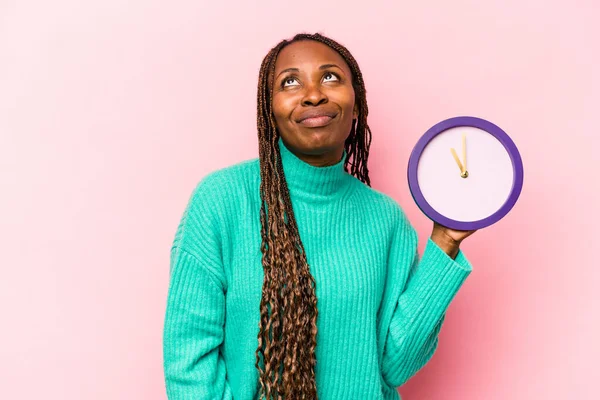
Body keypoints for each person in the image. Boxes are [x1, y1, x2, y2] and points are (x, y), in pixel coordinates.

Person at [163, 32, 477, 400]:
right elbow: (188, 359)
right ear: (269, 109)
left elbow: (395, 364)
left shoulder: (386, 220)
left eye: (330, 77)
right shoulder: (221, 200)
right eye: (290, 82)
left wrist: (445, 242)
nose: (313, 94)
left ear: (357, 103)